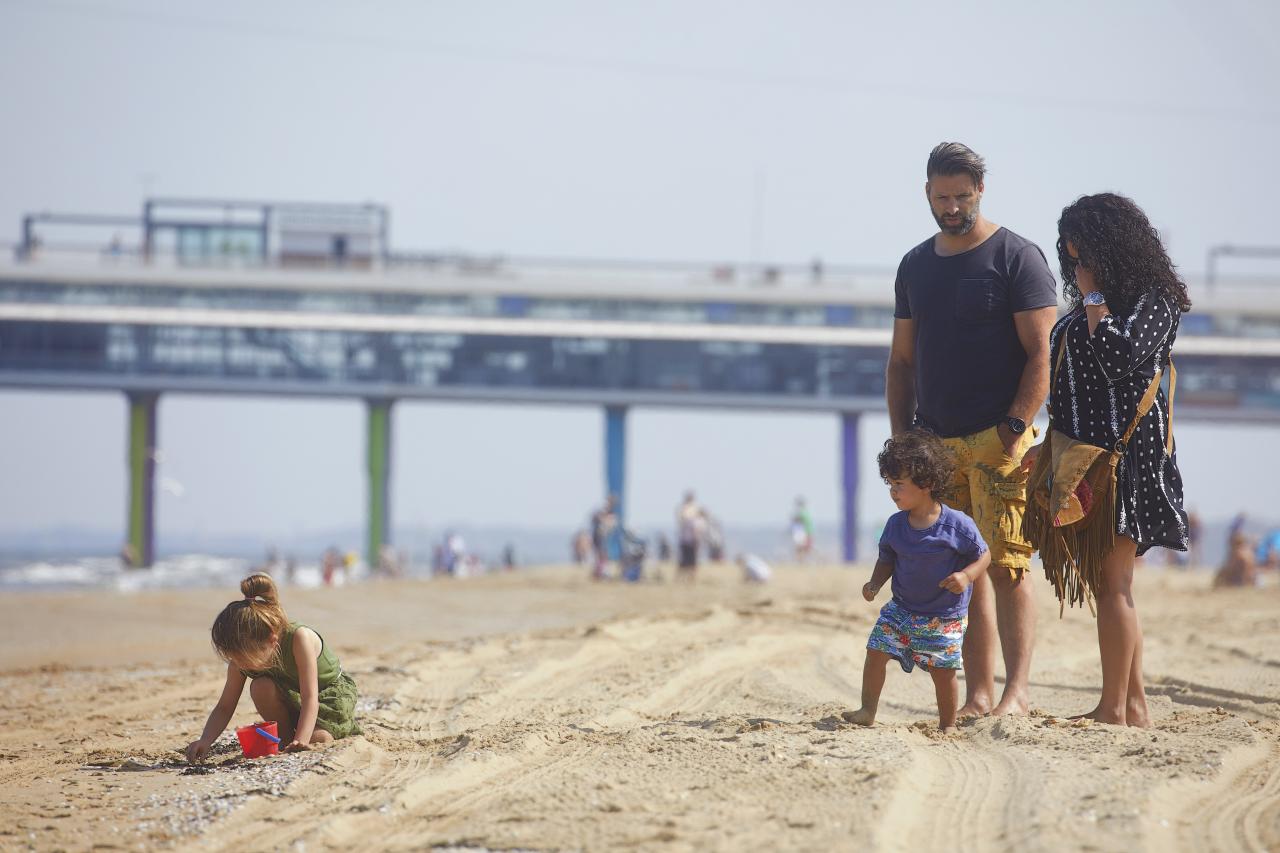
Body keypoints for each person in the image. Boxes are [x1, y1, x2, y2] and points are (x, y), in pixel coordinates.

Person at [885, 142, 1058, 718]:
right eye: (942, 197)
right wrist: (903, 439)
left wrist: (1015, 428)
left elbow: (1041, 354)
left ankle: (1017, 692)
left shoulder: (1017, 257)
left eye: (962, 196)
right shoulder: (914, 265)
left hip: (998, 439)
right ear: (927, 193)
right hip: (934, 443)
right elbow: (902, 361)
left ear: (980, 191)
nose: (952, 207)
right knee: (965, 572)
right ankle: (981, 692)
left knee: (1007, 567)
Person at [1022, 192, 1191, 727]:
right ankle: (1134, 704)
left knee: (1113, 580)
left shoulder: (1153, 301)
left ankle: (1113, 707)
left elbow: (1118, 359)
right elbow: (1071, 385)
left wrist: (1094, 302)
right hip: (1081, 456)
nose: (1077, 268)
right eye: (1071, 259)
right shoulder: (1099, 303)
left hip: (1125, 462)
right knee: (1107, 581)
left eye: (1084, 256)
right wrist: (1047, 450)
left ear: (1112, 247)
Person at [846, 430, 990, 733]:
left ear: (927, 484)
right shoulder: (896, 525)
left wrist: (966, 576)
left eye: (900, 484)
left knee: (943, 672)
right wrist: (874, 584)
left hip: (944, 617)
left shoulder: (957, 525)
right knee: (876, 652)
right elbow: (887, 558)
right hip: (901, 609)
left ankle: (948, 724)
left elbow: (984, 556)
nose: (893, 492)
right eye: (890, 484)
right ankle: (867, 710)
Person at [185, 573, 360, 762]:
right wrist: (206, 740)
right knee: (260, 686)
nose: (240, 665)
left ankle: (298, 739)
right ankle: (284, 739)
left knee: (319, 739)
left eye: (245, 660)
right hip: (289, 696)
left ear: (272, 641)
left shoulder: (298, 638)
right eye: (234, 659)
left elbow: (310, 698)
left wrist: (301, 741)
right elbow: (225, 706)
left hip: (326, 696)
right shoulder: (240, 657)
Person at [676, 491, 703, 579]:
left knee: (691, 562)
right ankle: (684, 578)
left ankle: (690, 578)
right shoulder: (685, 509)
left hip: (689, 539)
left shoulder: (692, 508)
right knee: (686, 562)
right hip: (687, 539)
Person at [590, 496, 618, 580]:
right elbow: (595, 519)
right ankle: (601, 573)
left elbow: (611, 524)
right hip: (599, 536)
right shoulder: (602, 511)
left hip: (604, 536)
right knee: (601, 555)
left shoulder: (609, 512)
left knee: (603, 555)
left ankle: (601, 573)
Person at [790, 497, 814, 561]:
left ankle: (802, 559)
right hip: (804, 532)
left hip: (805, 532)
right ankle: (801, 560)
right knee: (802, 547)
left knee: (804, 548)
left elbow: (797, 520)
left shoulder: (802, 513)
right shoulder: (804, 512)